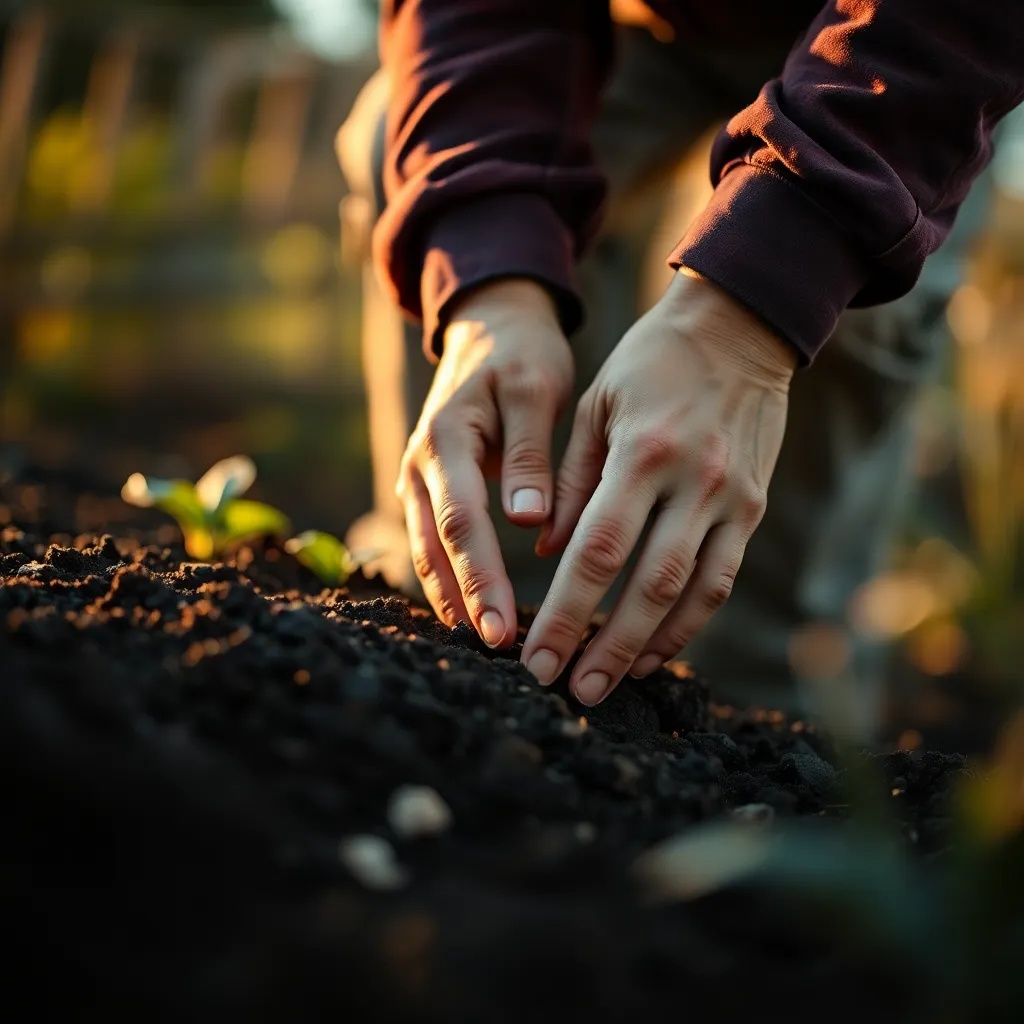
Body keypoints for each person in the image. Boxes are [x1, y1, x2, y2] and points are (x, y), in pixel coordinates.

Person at [337, 1, 1023, 720]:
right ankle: (475, 645)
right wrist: (492, 281)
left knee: (858, 301)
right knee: (403, 134)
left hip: (903, 46)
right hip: (634, 20)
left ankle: (774, 702)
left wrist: (754, 313)